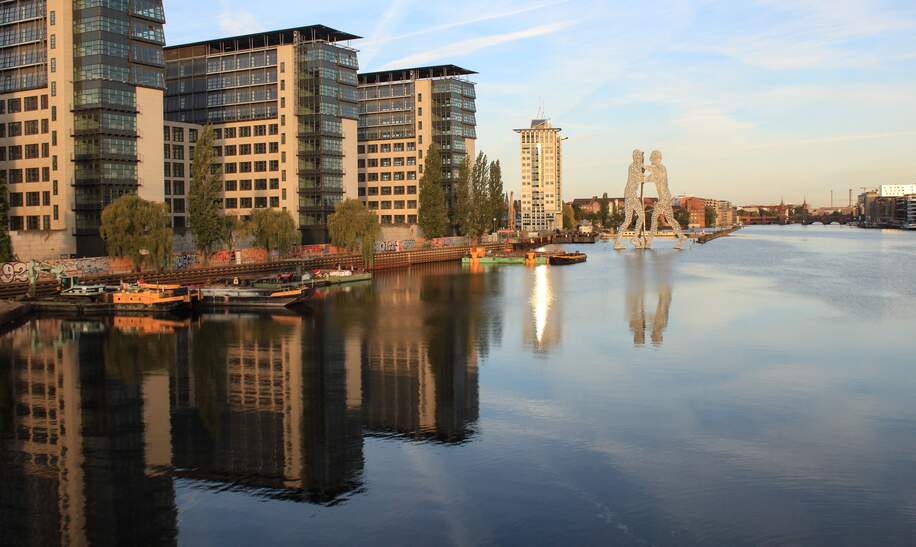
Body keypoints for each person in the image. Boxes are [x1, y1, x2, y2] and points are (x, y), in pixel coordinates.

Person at [645, 150, 687, 250]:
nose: (652, 161)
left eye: (653, 159)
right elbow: (649, 178)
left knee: (654, 218)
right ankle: (681, 237)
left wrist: (643, 166)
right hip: (665, 197)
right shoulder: (656, 170)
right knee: (670, 219)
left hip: (664, 197)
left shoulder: (661, 168)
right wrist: (642, 178)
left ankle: (649, 242)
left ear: (657, 159)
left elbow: (654, 173)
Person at [615, 150, 648, 250]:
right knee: (641, 216)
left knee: (628, 220)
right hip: (631, 195)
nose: (638, 159)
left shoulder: (636, 166)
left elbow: (641, 176)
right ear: (635, 157)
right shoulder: (633, 167)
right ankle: (634, 238)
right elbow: (640, 178)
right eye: (637, 157)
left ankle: (618, 241)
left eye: (639, 157)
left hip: (630, 194)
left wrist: (643, 170)